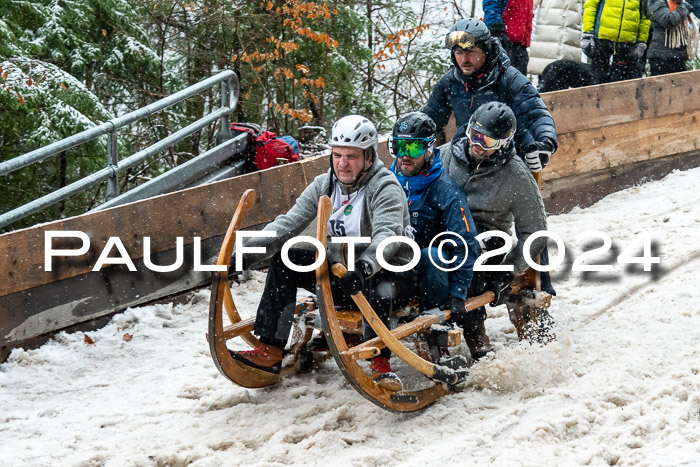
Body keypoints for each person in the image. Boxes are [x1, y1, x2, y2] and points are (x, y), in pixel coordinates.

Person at [230, 115, 415, 392]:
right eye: (337, 155)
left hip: (386, 275)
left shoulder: (385, 186)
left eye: (351, 156)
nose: (342, 163)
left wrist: (364, 267)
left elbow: (387, 237)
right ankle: (270, 349)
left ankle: (380, 362)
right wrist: (248, 250)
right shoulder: (325, 183)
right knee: (287, 259)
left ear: (368, 157)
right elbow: (288, 223)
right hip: (343, 275)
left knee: (379, 281)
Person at [439, 102, 549, 356]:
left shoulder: (516, 175)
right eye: (474, 135)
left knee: (470, 256)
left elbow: (536, 231)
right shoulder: (444, 157)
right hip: (448, 229)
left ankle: (474, 329)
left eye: (487, 141)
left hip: (489, 236)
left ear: (503, 142)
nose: (477, 144)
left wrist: (511, 268)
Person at [388, 112, 481, 355]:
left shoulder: (445, 189)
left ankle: (436, 335)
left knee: (431, 254)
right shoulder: (385, 183)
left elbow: (466, 242)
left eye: (414, 148)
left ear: (429, 149)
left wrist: (459, 291)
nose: (404, 155)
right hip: (397, 265)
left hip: (434, 272)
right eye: (398, 146)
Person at [421, 18, 558, 175]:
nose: (464, 59)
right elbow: (431, 119)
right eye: (459, 53)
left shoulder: (509, 78)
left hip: (511, 162)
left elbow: (536, 114)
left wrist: (546, 143)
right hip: (470, 160)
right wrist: (411, 140)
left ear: (485, 50)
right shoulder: (450, 82)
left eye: (471, 52)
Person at [582, 0, 651, 84]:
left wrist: (641, 41)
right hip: (602, 39)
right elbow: (590, 6)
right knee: (597, 78)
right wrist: (588, 33)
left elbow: (645, 17)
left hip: (627, 43)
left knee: (623, 83)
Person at [527, 0, 584, 77]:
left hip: (570, 33)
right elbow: (531, 5)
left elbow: (587, 7)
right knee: (545, 71)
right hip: (547, 30)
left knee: (565, 73)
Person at [483, 0, 535, 75]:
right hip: (504, 41)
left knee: (518, 82)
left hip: (519, 43)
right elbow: (492, 5)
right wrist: (496, 30)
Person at [647, 0, 696, 76]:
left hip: (678, 56)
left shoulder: (679, 3)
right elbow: (668, 21)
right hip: (661, 56)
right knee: (662, 87)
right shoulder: (656, 1)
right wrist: (685, 6)